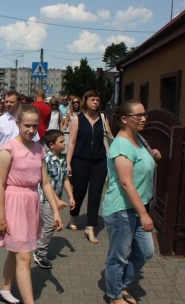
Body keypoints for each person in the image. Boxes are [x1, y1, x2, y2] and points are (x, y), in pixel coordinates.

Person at [0, 104, 63, 304]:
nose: (31, 130)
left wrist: (56, 211)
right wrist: (0, 216)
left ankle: (5, 290)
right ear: (18, 123)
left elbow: (46, 182)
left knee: (15, 250)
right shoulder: (8, 149)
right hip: (14, 202)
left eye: (35, 126)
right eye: (27, 126)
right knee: (24, 257)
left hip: (31, 201)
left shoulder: (39, 148)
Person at [103, 101, 161, 304]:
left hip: (138, 207)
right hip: (122, 209)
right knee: (118, 256)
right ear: (124, 119)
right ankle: (114, 295)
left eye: (145, 114)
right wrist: (144, 214)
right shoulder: (121, 145)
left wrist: (151, 155)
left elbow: (139, 162)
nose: (144, 118)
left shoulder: (138, 138)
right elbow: (126, 183)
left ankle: (121, 284)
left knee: (146, 251)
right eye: (138, 115)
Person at [66, 90, 112, 243]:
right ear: (86, 101)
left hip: (99, 162)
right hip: (80, 160)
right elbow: (71, 143)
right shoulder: (78, 119)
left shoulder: (104, 119)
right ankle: (74, 216)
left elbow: (110, 139)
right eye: (92, 99)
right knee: (79, 191)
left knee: (96, 193)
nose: (95, 102)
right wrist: (68, 163)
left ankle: (90, 227)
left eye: (97, 100)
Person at [33, 129, 75, 269]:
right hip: (45, 199)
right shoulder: (47, 159)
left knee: (47, 225)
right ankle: (40, 253)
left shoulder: (62, 158)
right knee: (50, 225)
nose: (65, 144)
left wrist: (71, 197)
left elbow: (65, 180)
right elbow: (48, 184)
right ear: (52, 145)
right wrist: (56, 201)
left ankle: (38, 247)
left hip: (56, 199)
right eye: (61, 142)